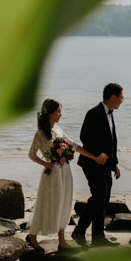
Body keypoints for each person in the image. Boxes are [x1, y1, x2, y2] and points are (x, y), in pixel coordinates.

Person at [26, 98, 108, 252]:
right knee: (49, 203)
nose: (60, 115)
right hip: (51, 174)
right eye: (58, 112)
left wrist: (94, 157)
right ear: (50, 113)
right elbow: (31, 154)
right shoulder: (40, 134)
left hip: (64, 171)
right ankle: (32, 236)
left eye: (60, 112)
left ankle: (62, 240)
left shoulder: (57, 129)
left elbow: (73, 145)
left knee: (64, 203)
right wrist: (46, 163)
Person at [72, 83, 123, 247]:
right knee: (99, 197)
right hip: (92, 163)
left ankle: (98, 237)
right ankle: (79, 231)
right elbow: (85, 137)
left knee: (104, 199)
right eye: (121, 97)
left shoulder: (110, 114)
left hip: (106, 165)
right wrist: (97, 154)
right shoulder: (93, 113)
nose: (122, 101)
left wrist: (115, 164)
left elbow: (111, 143)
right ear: (113, 97)